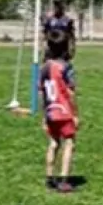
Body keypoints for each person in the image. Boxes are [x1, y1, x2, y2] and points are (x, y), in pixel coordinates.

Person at [40, 29, 79, 193]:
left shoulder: (44, 68)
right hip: (64, 111)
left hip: (50, 111)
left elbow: (42, 91)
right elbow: (70, 93)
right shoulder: (66, 67)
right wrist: (76, 114)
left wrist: (44, 115)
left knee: (54, 143)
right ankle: (64, 179)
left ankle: (49, 178)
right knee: (69, 143)